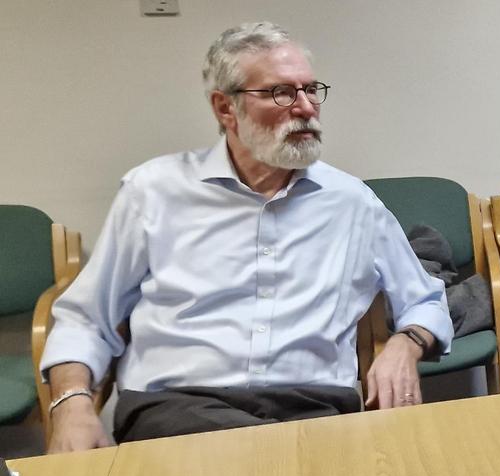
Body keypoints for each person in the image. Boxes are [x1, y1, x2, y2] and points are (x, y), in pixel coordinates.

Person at [39, 22, 453, 452]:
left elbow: (424, 300)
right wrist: (71, 404)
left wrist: (406, 345)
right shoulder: (154, 191)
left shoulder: (351, 202)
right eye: (281, 92)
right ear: (225, 108)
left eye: (311, 90)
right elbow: (87, 319)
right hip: (179, 411)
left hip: (314, 409)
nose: (306, 107)